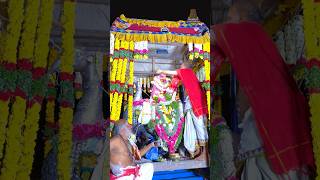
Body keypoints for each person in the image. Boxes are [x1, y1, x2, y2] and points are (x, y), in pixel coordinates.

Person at [212, 0, 315, 179]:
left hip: (270, 132)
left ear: (242, 18)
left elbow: (209, 35)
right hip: (267, 129)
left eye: (229, 17)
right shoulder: (254, 44)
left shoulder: (250, 32)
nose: (226, 22)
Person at [157, 61, 208, 160]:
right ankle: (197, 152)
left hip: (195, 103)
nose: (180, 67)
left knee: (199, 127)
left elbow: (174, 73)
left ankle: (205, 153)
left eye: (181, 66)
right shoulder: (187, 75)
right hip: (191, 103)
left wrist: (161, 70)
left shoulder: (187, 72)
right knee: (192, 127)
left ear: (185, 67)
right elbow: (173, 84)